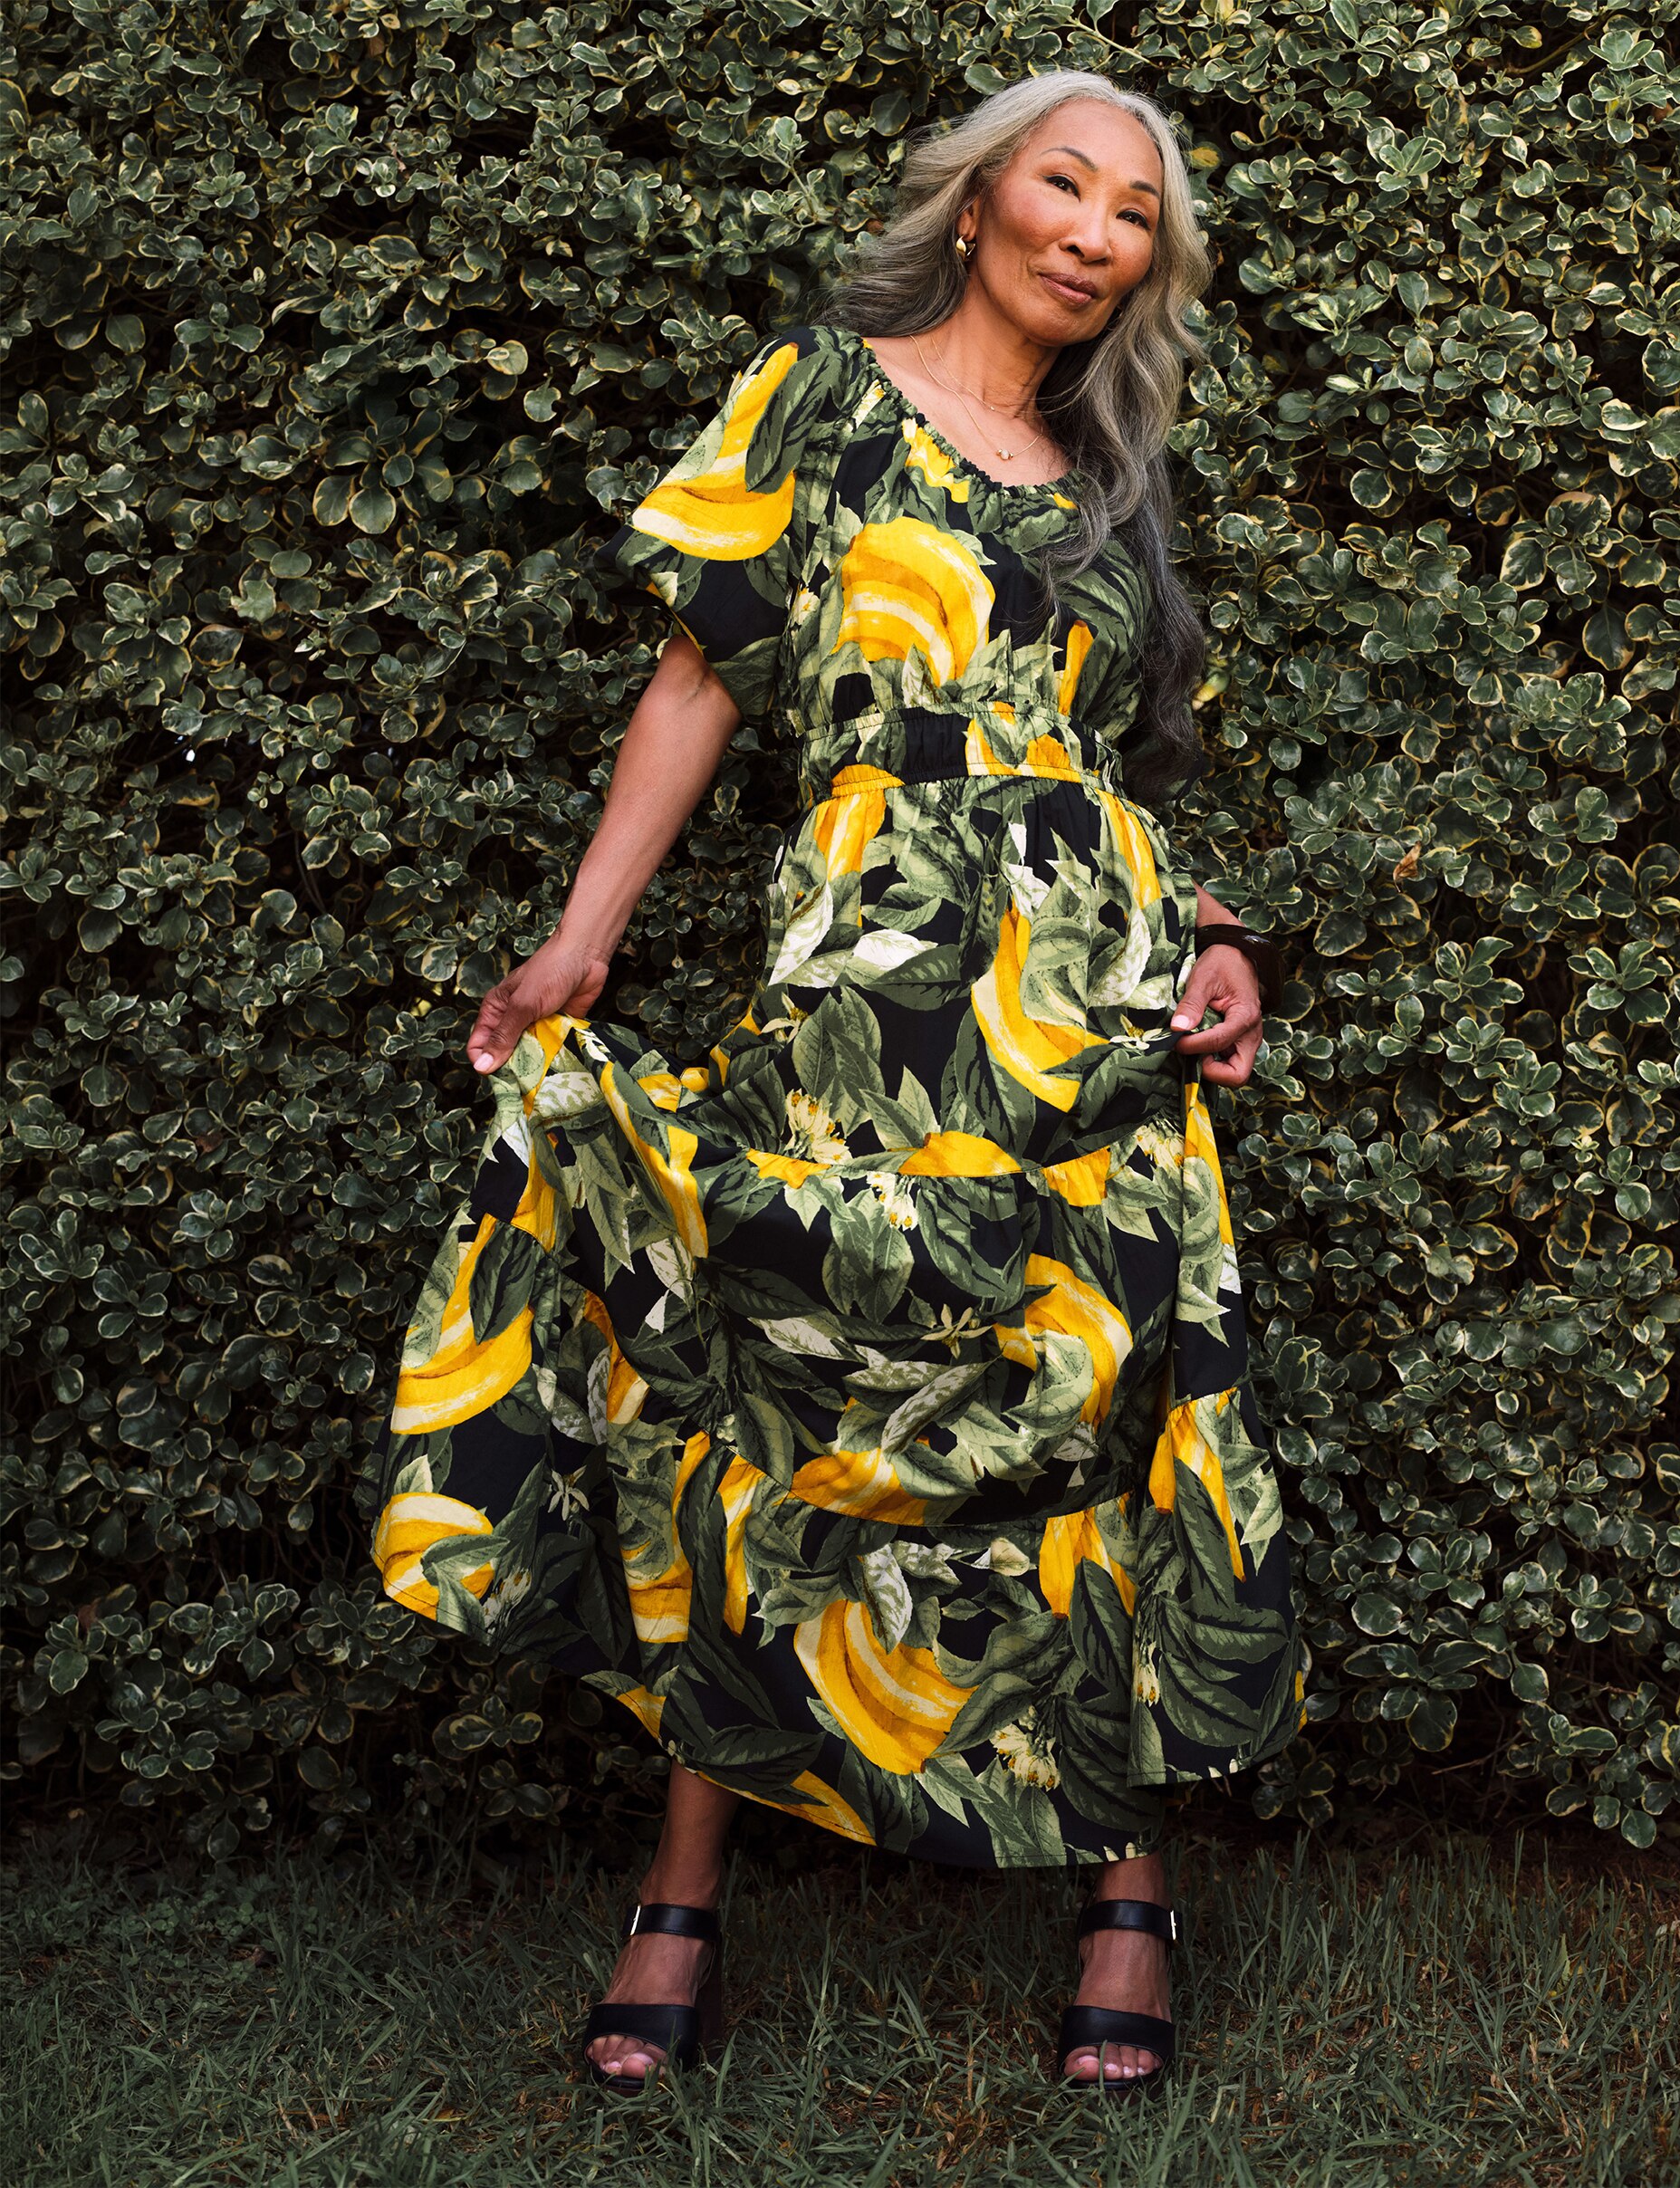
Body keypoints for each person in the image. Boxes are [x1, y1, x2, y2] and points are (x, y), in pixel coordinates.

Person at [364, 69, 1301, 2100]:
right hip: (871, 984)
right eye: (1064, 183)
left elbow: (1125, 766)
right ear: (977, 203)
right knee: (783, 1385)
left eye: (1136, 213)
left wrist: (1222, 944)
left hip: (1105, 999)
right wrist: (585, 935)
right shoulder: (815, 390)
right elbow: (700, 676)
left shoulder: (1108, 477)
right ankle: (683, 1889)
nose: (1094, 230)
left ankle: (1126, 1891)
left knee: (1100, 1397)